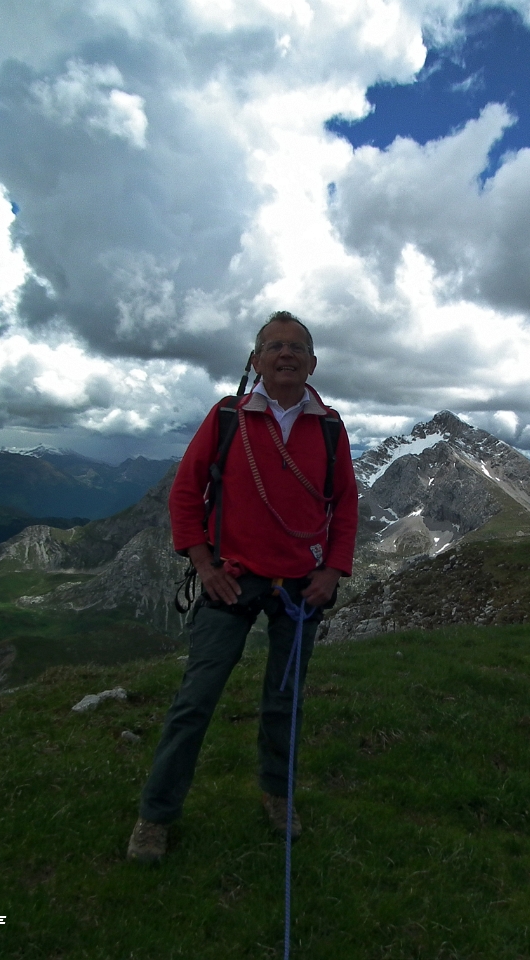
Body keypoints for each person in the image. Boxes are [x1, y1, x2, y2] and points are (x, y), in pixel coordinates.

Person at [127, 311, 358, 863]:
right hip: (230, 581)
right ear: (255, 361)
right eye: (274, 346)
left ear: (312, 363)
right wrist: (203, 565)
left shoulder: (329, 427)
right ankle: (155, 815)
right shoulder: (228, 417)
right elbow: (185, 494)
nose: (286, 354)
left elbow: (345, 505)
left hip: (302, 588)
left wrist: (332, 572)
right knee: (196, 700)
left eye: (297, 347)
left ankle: (277, 796)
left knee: (286, 701)